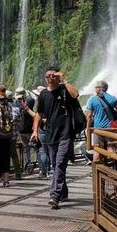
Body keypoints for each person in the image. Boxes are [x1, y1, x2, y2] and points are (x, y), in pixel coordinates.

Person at [31, 66, 80, 209]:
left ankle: (54, 195)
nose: (51, 78)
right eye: (48, 76)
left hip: (66, 134)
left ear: (58, 77)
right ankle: (63, 192)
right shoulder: (44, 95)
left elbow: (76, 94)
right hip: (51, 134)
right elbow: (39, 114)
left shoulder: (65, 90)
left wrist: (63, 80)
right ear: (45, 78)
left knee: (59, 164)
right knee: (55, 165)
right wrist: (35, 131)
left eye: (54, 76)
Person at [85, 80, 117, 164]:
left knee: (97, 148)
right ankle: (114, 166)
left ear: (99, 88)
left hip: (98, 128)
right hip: (110, 127)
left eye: (96, 87)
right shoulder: (112, 98)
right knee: (110, 146)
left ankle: (96, 169)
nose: (95, 89)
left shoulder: (92, 99)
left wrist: (88, 127)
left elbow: (89, 115)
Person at [15, 87, 36, 174]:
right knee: (37, 148)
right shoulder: (30, 101)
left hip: (21, 130)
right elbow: (33, 98)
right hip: (30, 129)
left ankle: (27, 168)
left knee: (26, 149)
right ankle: (43, 168)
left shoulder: (16, 104)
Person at [31, 85, 51, 178]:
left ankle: (44, 171)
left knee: (42, 150)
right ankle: (50, 170)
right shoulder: (50, 102)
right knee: (49, 150)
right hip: (50, 129)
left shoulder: (41, 104)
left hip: (42, 129)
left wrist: (27, 110)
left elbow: (37, 116)